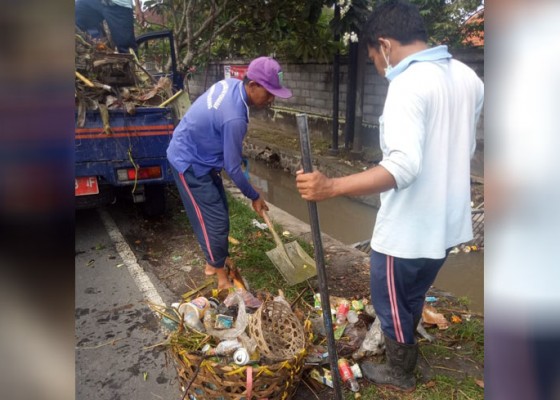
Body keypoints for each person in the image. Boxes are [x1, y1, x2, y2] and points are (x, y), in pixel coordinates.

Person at [296, 0, 484, 393]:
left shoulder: (408, 84)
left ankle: (402, 371)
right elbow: (459, 149)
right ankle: (408, 351)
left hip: (409, 228)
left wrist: (331, 187)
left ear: (384, 44)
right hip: (447, 223)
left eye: (374, 60)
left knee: (390, 302)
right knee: (412, 293)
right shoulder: (469, 78)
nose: (380, 69)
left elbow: (402, 167)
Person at [167, 57, 292, 290]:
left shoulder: (232, 85)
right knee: (213, 220)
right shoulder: (235, 117)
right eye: (269, 92)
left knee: (219, 211)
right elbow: (232, 167)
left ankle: (214, 260)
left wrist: (231, 151)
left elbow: (220, 131)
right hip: (189, 161)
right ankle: (220, 277)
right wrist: (254, 195)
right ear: (253, 85)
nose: (271, 99)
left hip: (204, 156)